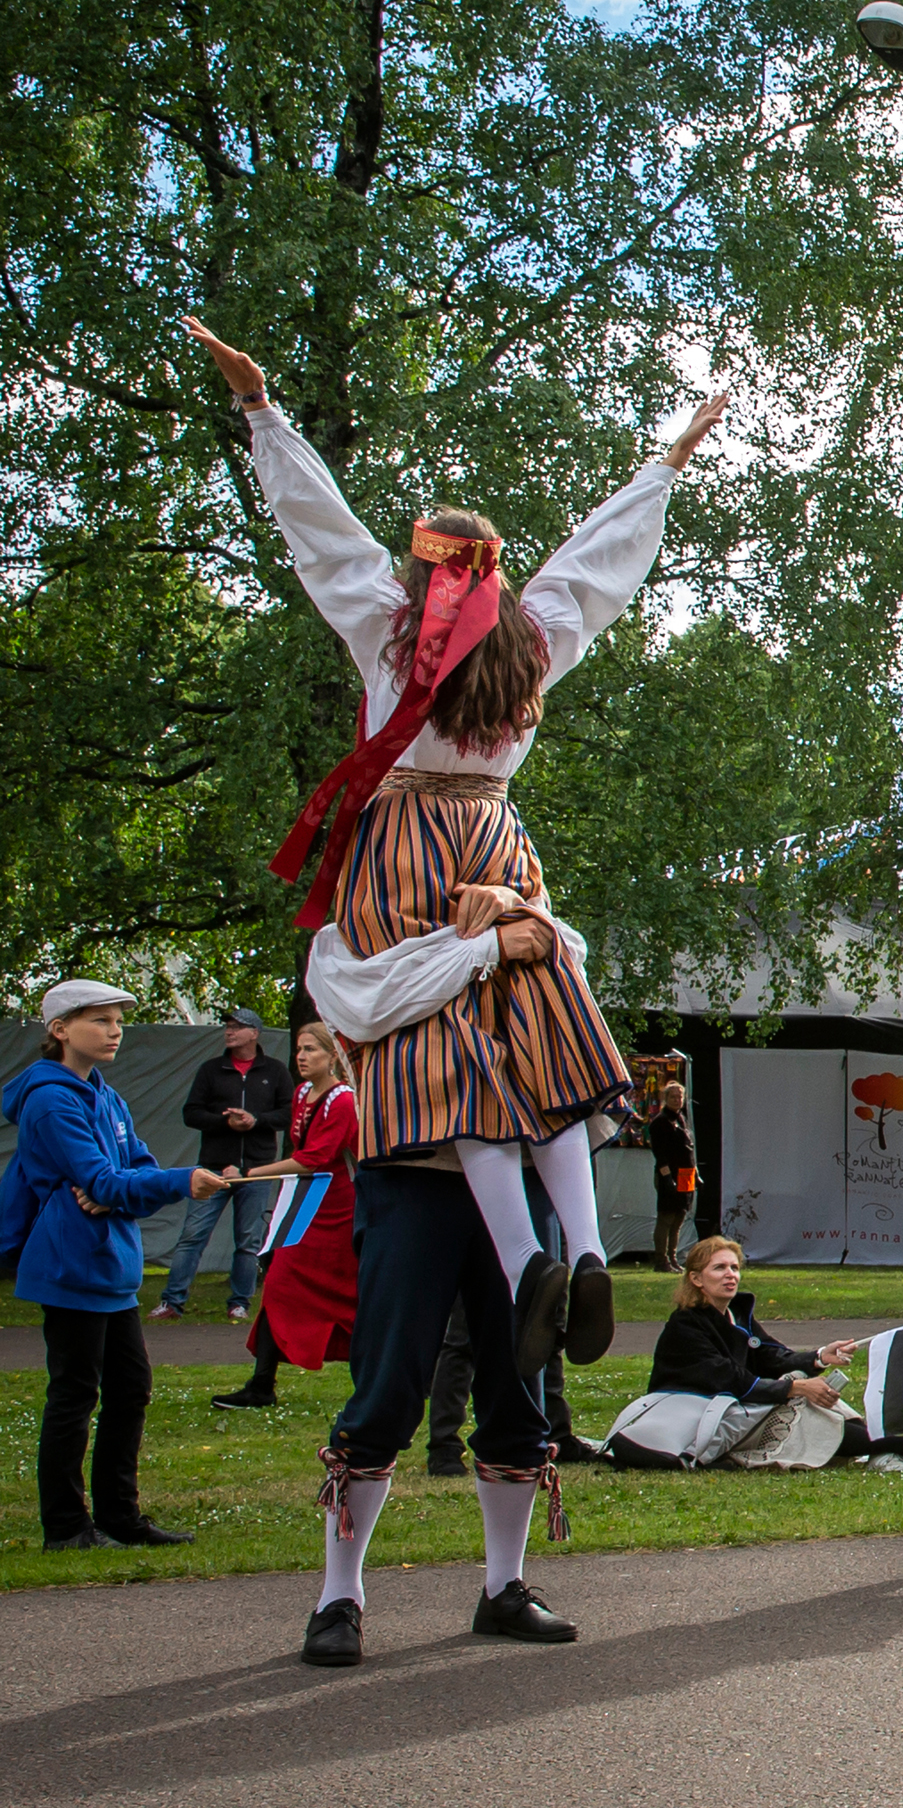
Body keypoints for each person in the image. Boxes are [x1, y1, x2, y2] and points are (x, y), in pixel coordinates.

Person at [183, 317, 720, 1386]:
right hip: (495, 842)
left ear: (422, 564)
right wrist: (663, 467)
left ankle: (527, 1263)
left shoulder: (389, 628)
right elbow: (600, 564)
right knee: (541, 1029)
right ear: (493, 571)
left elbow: (321, 534)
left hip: (405, 852)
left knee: (449, 1064)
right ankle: (573, 1246)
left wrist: (261, 411)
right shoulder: (533, 635)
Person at [4, 982, 222, 1550]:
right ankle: (66, 1527)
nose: (114, 1030)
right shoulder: (51, 1099)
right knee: (74, 1394)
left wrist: (124, 1188)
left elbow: (132, 1172)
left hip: (113, 1267)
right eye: (99, 1020)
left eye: (118, 1019)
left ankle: (120, 1517)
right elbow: (108, 1179)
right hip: (72, 1264)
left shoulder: (106, 1096)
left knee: (129, 1389)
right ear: (59, 1030)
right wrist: (170, 1182)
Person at [632, 1238, 896, 1468]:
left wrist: (819, 1357)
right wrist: (796, 1388)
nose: (730, 1275)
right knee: (799, 1411)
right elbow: (731, 1379)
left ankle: (887, 1448)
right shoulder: (685, 1325)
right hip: (700, 1422)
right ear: (696, 1278)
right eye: (720, 1268)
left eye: (734, 1268)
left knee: (803, 1393)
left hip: (734, 1409)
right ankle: (898, 1445)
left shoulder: (737, 1315)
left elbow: (770, 1356)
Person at [213, 1023, 359, 1410]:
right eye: (299, 1049)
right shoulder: (301, 1094)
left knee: (353, 1297)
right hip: (306, 1204)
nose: (302, 1056)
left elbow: (316, 1159)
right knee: (277, 1284)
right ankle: (262, 1384)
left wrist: (248, 1174)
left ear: (333, 1057)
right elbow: (301, 1153)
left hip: (337, 1209)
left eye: (311, 1049)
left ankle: (388, 1378)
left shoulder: (342, 1101)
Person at [154, 1011, 289, 1321]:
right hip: (213, 1168)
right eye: (227, 1027)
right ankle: (171, 1302)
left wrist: (256, 1121)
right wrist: (224, 1122)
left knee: (248, 1240)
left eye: (237, 1027)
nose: (229, 1032)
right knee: (193, 1235)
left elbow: (288, 1113)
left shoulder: (276, 1071)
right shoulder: (211, 1070)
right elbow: (191, 1113)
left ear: (255, 1033)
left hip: (256, 1170)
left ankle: (239, 1303)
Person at [640, 1079, 697, 1270]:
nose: (677, 1100)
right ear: (666, 1098)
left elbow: (688, 1150)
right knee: (666, 1217)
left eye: (679, 1096)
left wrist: (696, 1174)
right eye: (673, 1096)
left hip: (686, 1174)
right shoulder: (660, 1122)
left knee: (679, 1217)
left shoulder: (681, 1119)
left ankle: (673, 1258)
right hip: (670, 1175)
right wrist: (667, 1179)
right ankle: (660, 1259)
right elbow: (660, 1155)